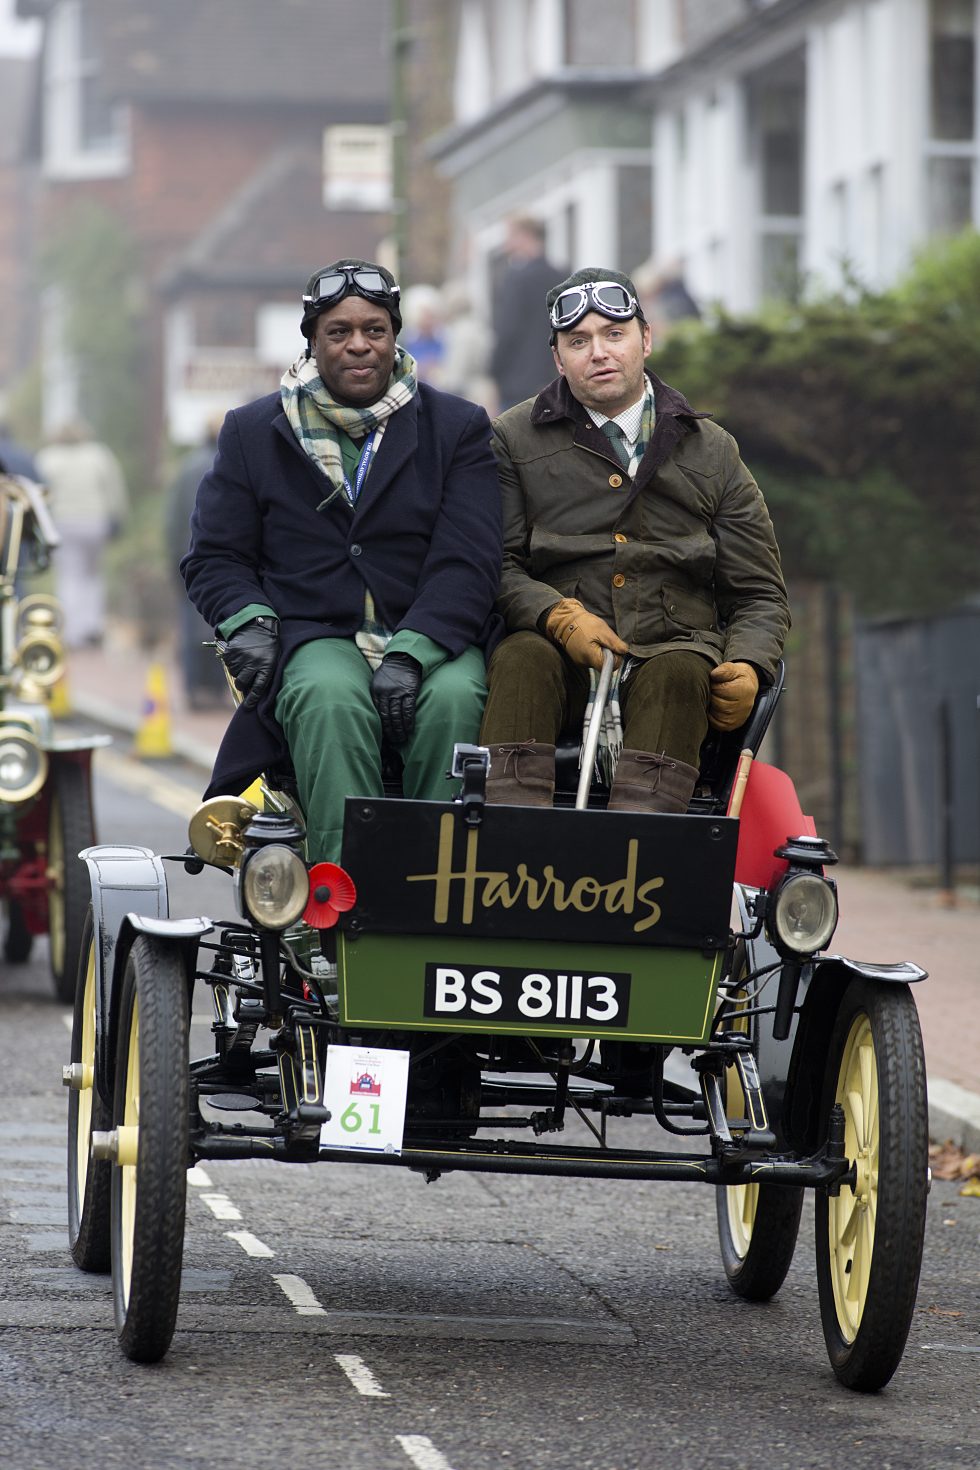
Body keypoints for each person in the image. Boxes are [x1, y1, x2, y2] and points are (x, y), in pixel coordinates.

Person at [181, 258, 503, 864]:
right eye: (339, 331)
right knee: (329, 697)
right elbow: (215, 556)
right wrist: (247, 620)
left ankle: (436, 890)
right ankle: (342, 896)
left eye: (375, 330)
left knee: (457, 699)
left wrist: (412, 652)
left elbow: (470, 560)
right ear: (312, 340)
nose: (360, 345)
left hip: (431, 633)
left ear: (395, 336)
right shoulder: (252, 431)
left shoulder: (457, 428)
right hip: (313, 632)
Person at [479, 266, 789, 813]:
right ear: (558, 358)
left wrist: (750, 664)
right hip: (558, 652)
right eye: (579, 342)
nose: (598, 353)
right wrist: (558, 617)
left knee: (679, 672)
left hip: (674, 651)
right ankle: (508, 852)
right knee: (521, 656)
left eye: (614, 334)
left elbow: (760, 593)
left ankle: (642, 868)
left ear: (646, 339)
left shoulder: (712, 449)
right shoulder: (512, 437)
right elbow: (495, 565)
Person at [35, 420, 128, 649]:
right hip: (95, 521)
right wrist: (118, 516)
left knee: (69, 575)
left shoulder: (48, 458)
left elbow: (40, 493)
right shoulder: (98, 455)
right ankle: (91, 626)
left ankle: (70, 630)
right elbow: (114, 488)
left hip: (63, 522)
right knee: (93, 574)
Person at [165, 419, 228, 708]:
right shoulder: (232, 463)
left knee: (191, 628)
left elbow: (174, 519)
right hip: (228, 559)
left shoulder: (186, 467)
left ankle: (193, 690)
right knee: (225, 626)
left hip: (190, 558)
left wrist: (172, 562)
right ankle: (218, 690)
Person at [489, 215, 566, 411]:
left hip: (518, 382)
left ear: (524, 235)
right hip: (555, 376)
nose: (506, 242)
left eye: (509, 235)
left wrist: (493, 371)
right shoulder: (561, 276)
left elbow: (508, 330)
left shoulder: (516, 279)